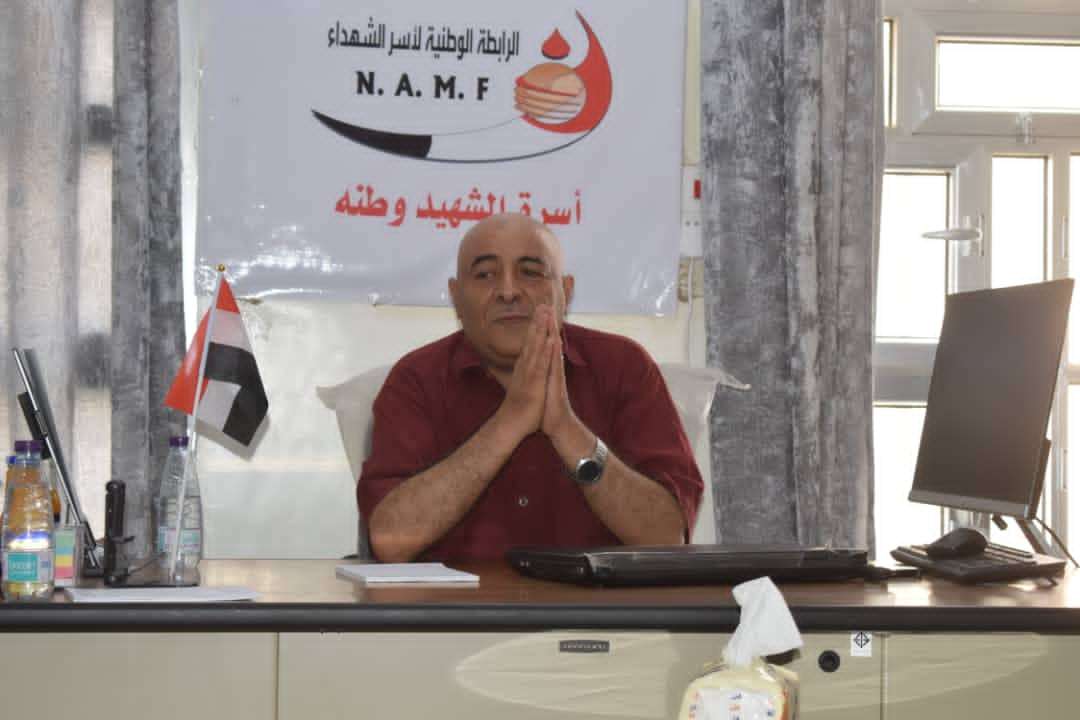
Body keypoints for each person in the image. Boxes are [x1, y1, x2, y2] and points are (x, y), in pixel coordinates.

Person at [358, 213, 703, 562]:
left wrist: (567, 429)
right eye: (485, 275)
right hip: (460, 598)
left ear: (565, 292)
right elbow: (390, 539)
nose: (508, 292)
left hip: (593, 599)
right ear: (456, 298)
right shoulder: (417, 380)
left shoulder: (623, 367)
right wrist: (509, 422)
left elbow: (667, 536)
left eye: (530, 272)